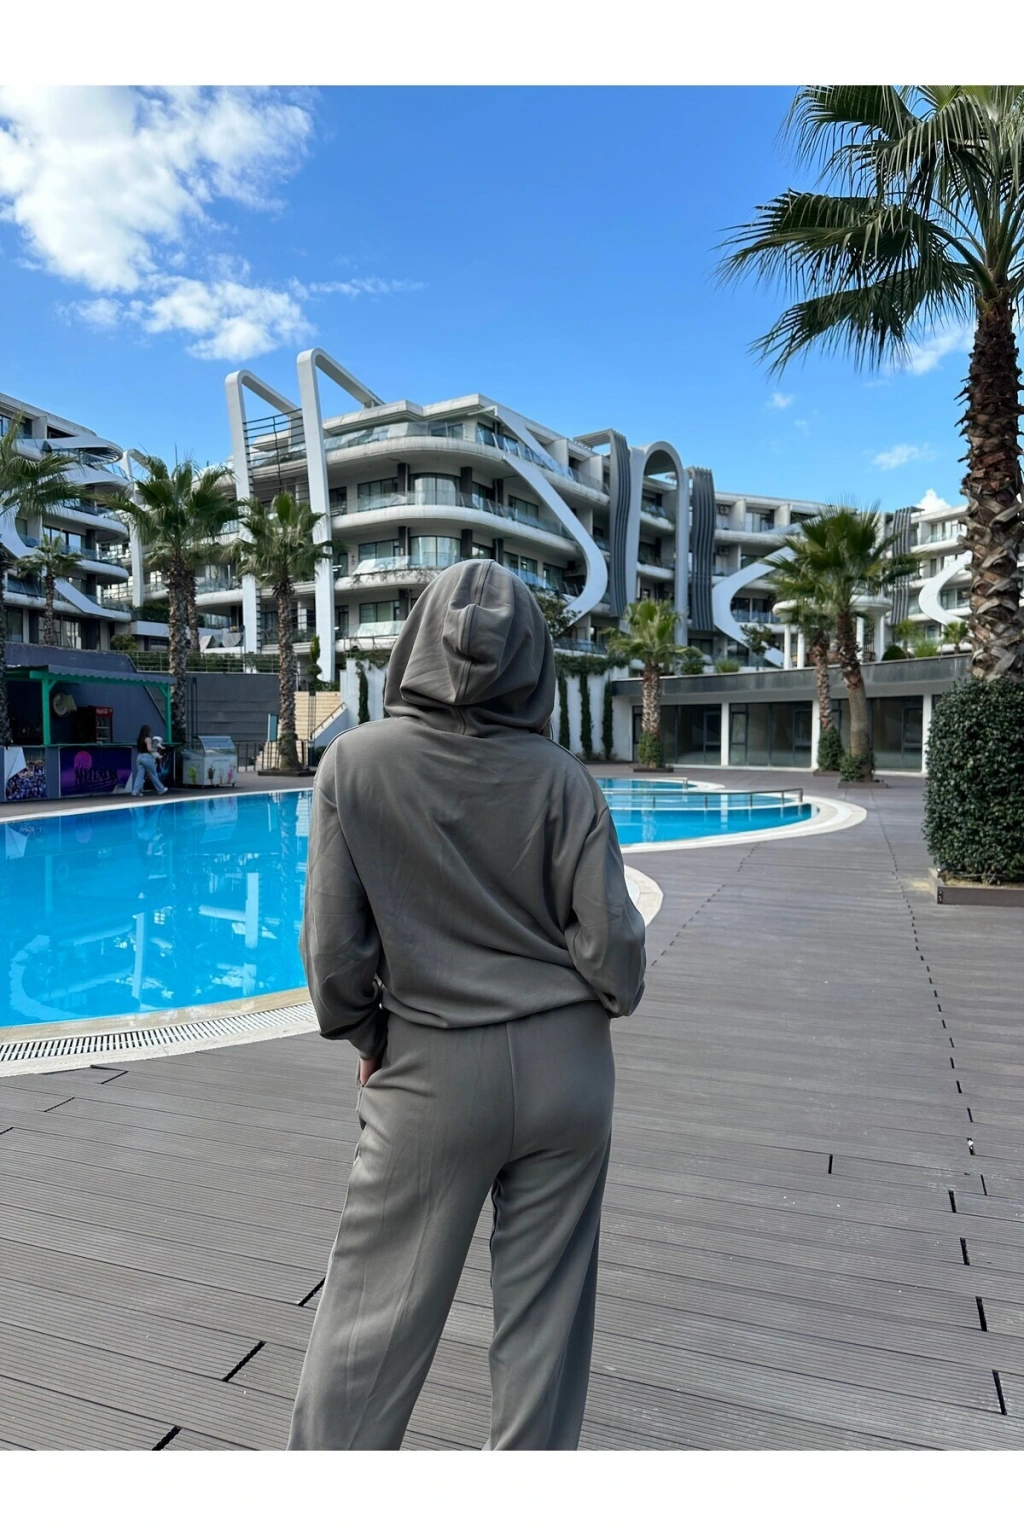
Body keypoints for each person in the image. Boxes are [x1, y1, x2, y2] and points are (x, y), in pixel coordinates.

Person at [288, 559, 646, 1452]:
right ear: (532, 657)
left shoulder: (354, 765)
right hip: (568, 1073)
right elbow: (615, 954)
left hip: (431, 1071)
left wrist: (368, 1036)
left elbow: (333, 954)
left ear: (416, 642)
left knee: (368, 1330)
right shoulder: (565, 780)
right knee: (545, 1333)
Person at [132, 724, 168, 797]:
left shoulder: (139, 739)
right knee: (153, 774)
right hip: (147, 757)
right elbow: (149, 749)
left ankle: (135, 791)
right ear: (148, 731)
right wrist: (155, 749)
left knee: (140, 775)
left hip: (139, 757)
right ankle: (160, 789)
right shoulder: (148, 739)